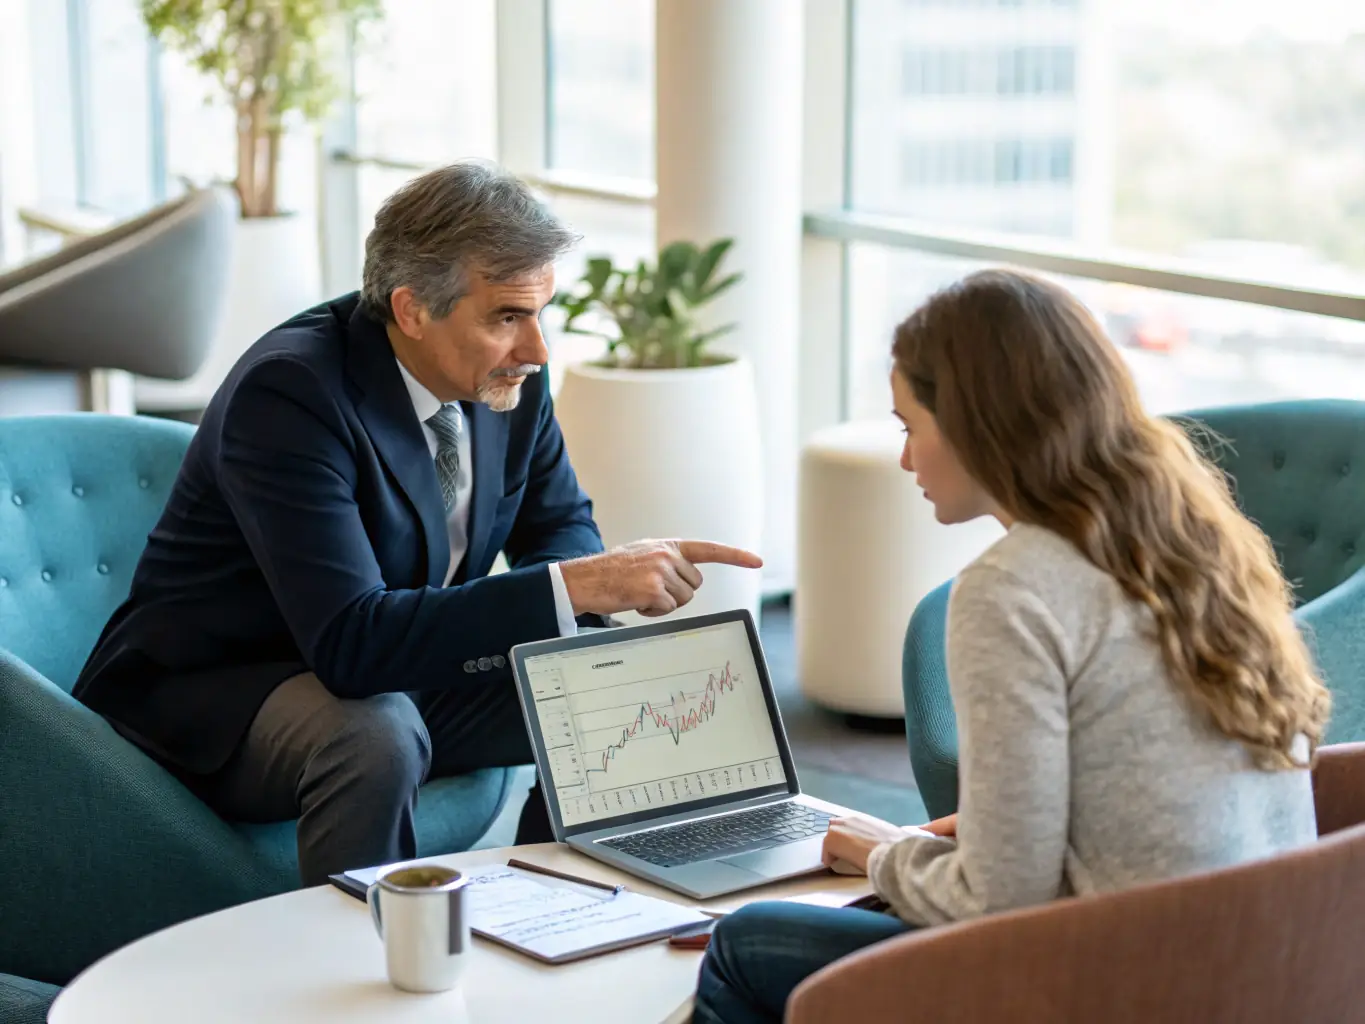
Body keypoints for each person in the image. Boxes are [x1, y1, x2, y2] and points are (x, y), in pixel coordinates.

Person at [73, 161, 762, 886]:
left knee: (613, 677)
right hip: (230, 692)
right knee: (373, 735)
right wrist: (577, 585)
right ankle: (363, 982)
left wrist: (585, 600)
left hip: (392, 666)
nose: (537, 349)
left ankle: (555, 912)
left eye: (540, 313)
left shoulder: (511, 376)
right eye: (505, 316)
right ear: (410, 310)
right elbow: (350, 644)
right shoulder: (291, 394)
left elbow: (558, 524)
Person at [691, 268, 1329, 1024]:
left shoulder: (1010, 588)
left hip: (1119, 980)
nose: (904, 460)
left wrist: (889, 854)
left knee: (745, 943)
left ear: (972, 426)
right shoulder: (1189, 534)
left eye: (909, 427)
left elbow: (999, 900)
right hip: (1272, 967)